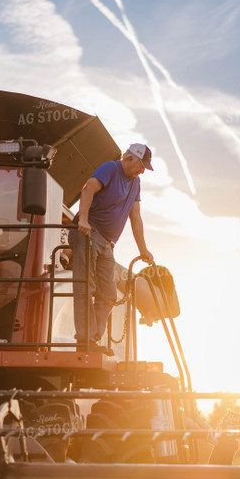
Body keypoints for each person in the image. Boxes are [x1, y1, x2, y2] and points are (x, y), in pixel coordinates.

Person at [68, 143, 155, 354]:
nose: (142, 170)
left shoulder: (135, 183)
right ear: (130, 158)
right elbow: (88, 189)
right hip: (88, 233)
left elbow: (136, 217)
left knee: (108, 294)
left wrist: (143, 249)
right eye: (141, 165)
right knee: (85, 285)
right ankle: (85, 340)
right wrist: (84, 221)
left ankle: (93, 340)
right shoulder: (111, 168)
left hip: (107, 243)